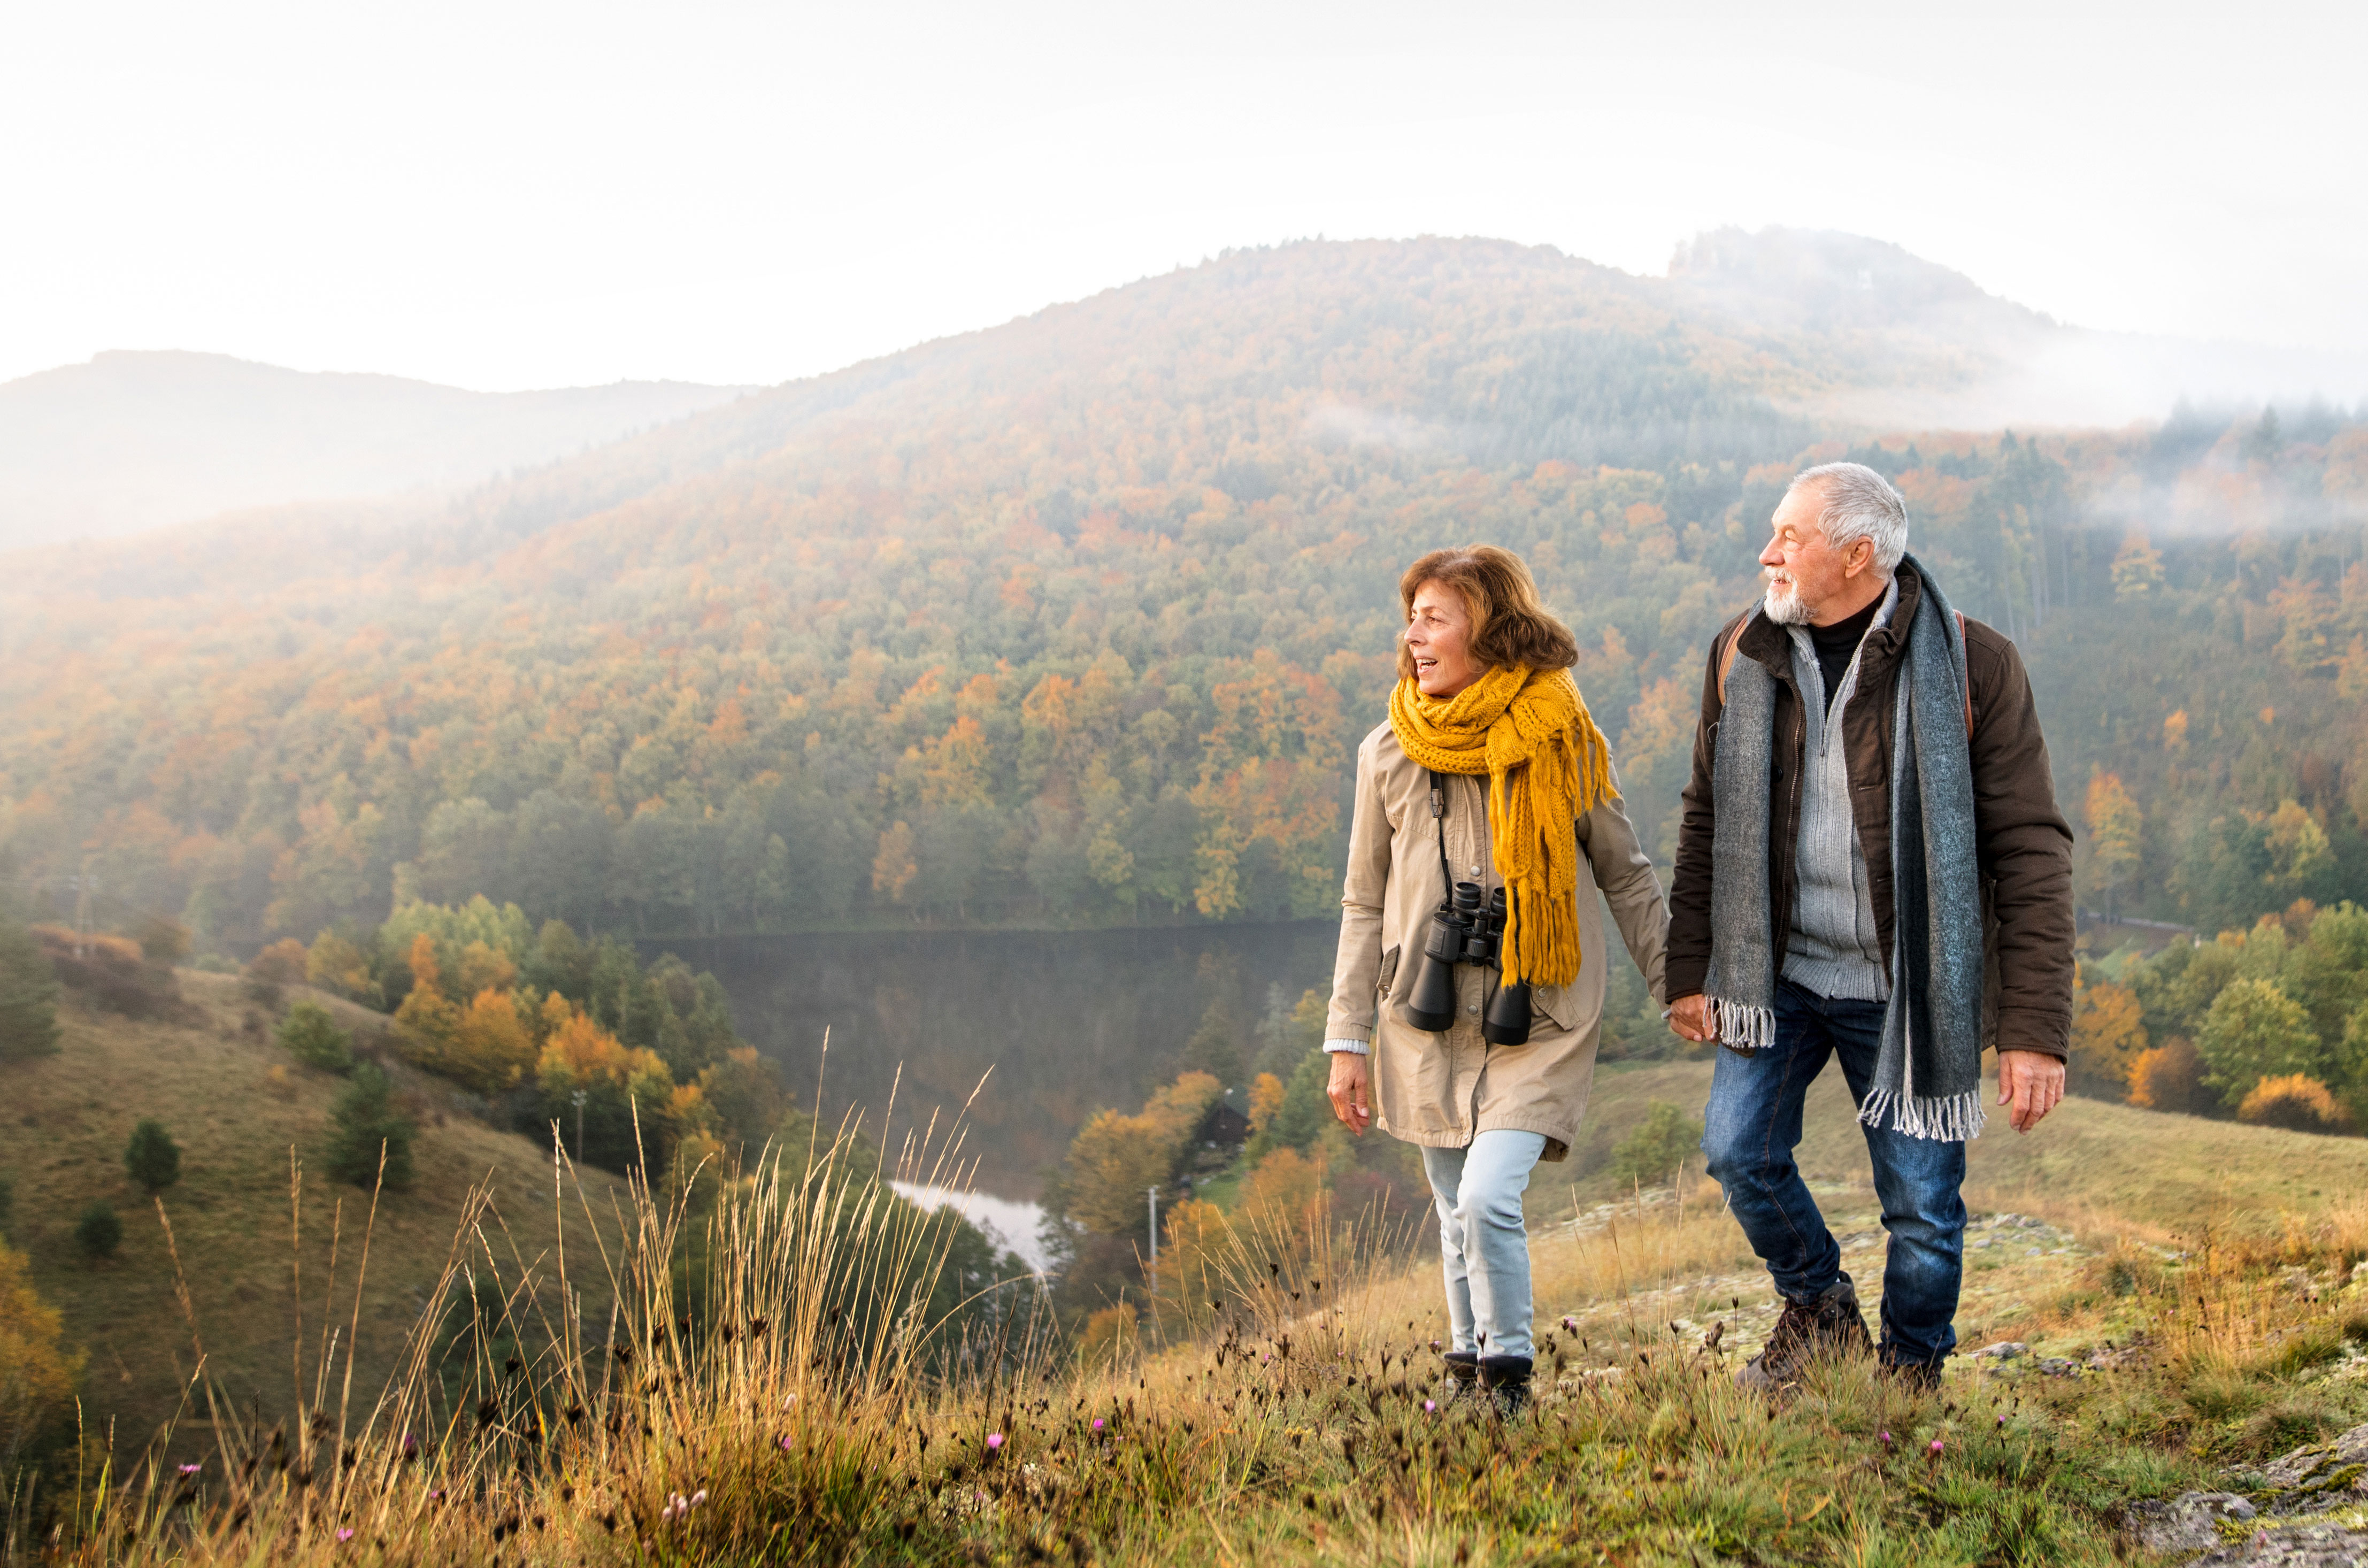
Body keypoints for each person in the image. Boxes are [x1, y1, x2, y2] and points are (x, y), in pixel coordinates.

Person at [1665, 462, 2074, 1394]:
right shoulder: (1742, 651)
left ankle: (1910, 1383)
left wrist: (2035, 1033)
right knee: (1738, 1151)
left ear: (1858, 557)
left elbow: (2033, 852)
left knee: (1923, 1210)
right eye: (1773, 530)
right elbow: (1705, 817)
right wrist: (1691, 967)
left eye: (1790, 538)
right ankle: (1819, 1308)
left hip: (1909, 986)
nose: (1767, 554)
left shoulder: (1975, 665)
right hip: (1781, 972)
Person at [1321, 545, 1670, 1415]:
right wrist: (1346, 1038)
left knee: (1485, 1197)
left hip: (1538, 1012)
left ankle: (1507, 1383)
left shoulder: (1562, 742)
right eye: (1411, 618)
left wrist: (1679, 986)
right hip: (1424, 1015)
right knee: (1451, 1208)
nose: (1413, 638)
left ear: (1490, 629)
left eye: (1434, 618)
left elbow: (1625, 873)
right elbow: (1364, 903)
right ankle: (1467, 1370)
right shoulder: (1387, 753)